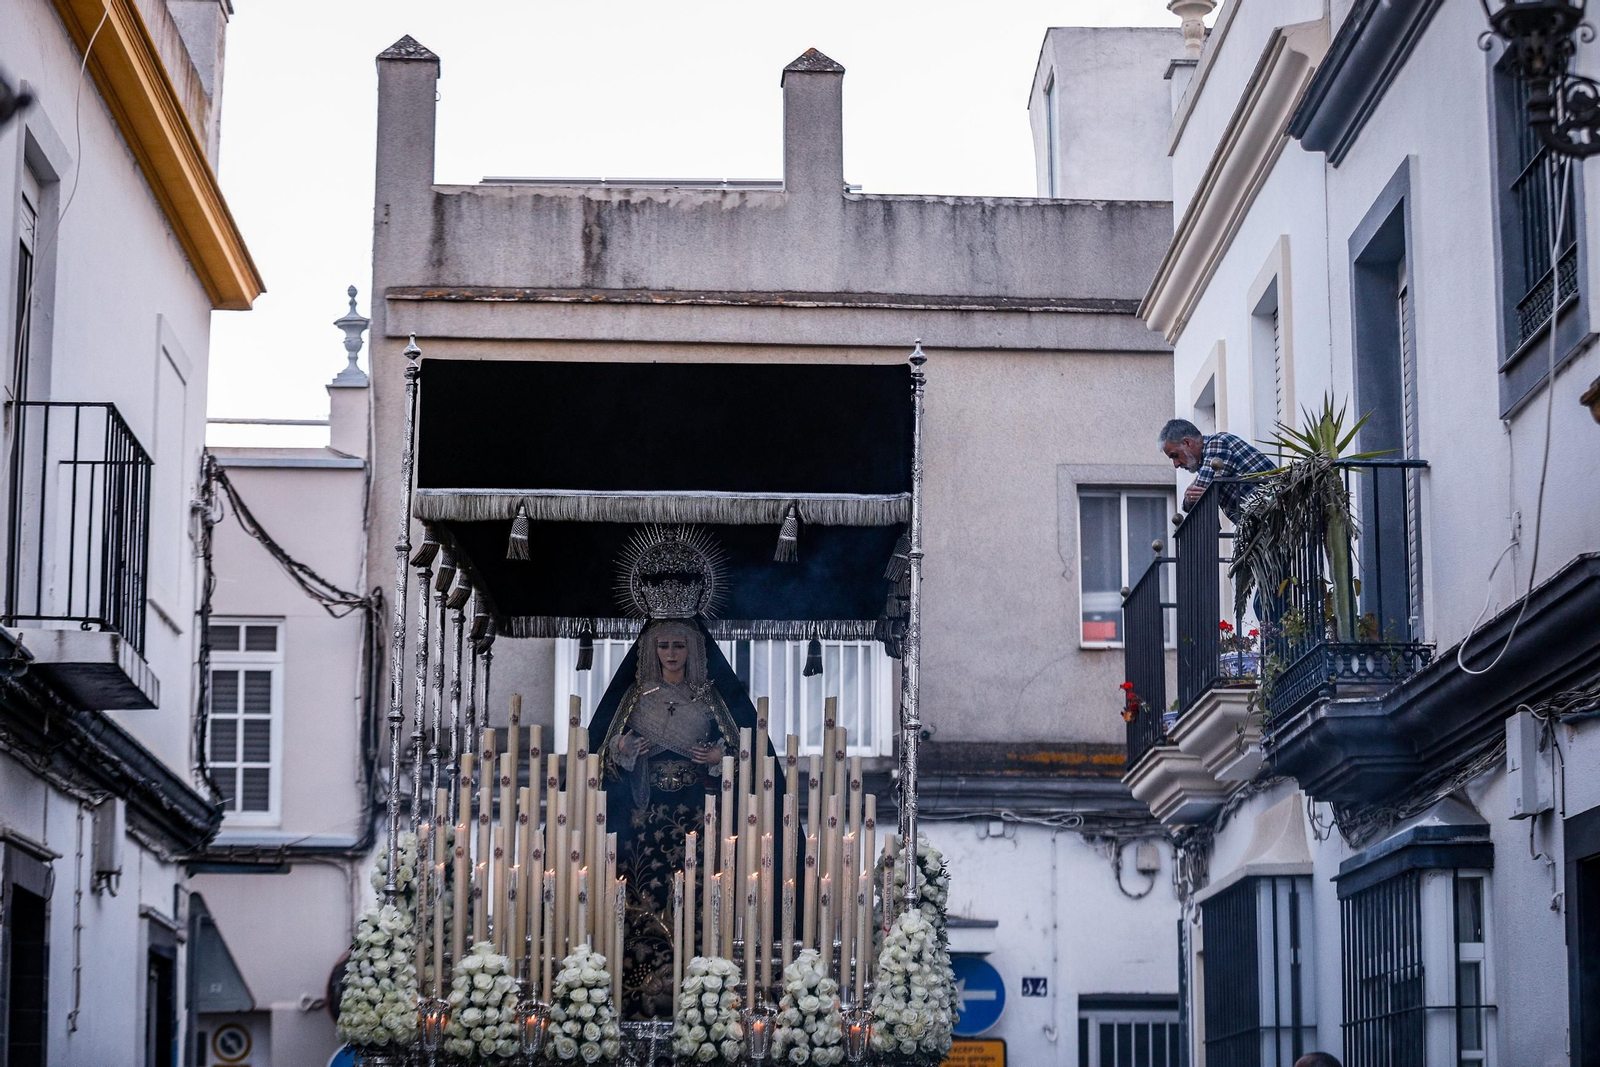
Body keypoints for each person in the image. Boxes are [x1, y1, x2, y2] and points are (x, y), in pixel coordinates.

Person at [586, 617, 770, 1019]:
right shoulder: (635, 697)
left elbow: (750, 752)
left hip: (698, 819)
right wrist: (623, 748)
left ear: (693, 650)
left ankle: (706, 992)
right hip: (643, 825)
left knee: (703, 902)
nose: (670, 654)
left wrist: (721, 758)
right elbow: (598, 758)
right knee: (643, 901)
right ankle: (636, 997)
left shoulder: (708, 697)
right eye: (664, 645)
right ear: (652, 650)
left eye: (679, 646)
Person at [1158, 418, 1277, 523]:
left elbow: (1199, 496)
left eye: (1175, 455)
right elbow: (1191, 501)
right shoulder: (1206, 461)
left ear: (1187, 443)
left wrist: (1188, 497)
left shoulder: (1217, 443)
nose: (1176, 464)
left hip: (1278, 512)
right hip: (1268, 521)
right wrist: (1188, 498)